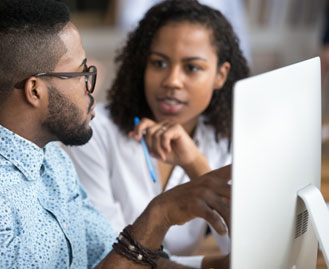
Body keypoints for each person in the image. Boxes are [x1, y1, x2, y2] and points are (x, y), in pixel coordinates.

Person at [0, 0, 232, 268]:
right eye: (80, 73)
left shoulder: (54, 161)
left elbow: (113, 254)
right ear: (35, 91)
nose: (90, 88)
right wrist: (159, 215)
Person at [64, 0, 249, 267]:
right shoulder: (94, 132)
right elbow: (112, 254)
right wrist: (210, 265)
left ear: (221, 75)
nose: (172, 80)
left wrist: (196, 165)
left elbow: (247, 247)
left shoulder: (221, 138)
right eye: (159, 63)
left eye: (192, 67)